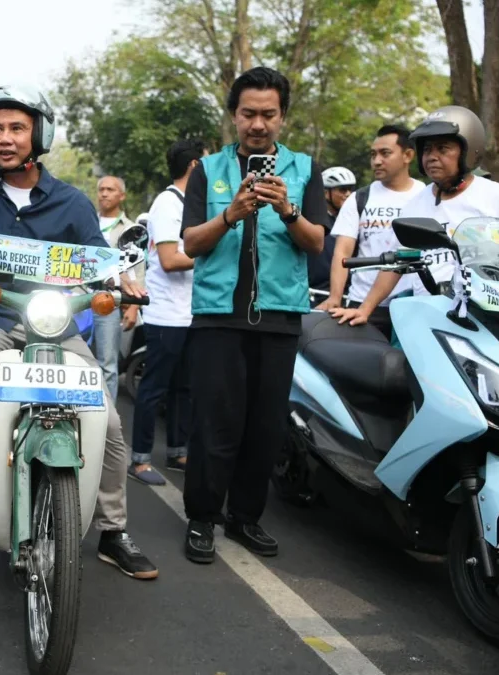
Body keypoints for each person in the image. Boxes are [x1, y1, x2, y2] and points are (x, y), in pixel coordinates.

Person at [0, 84, 157, 579]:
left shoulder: (72, 202)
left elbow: (99, 257)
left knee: (110, 422)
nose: (5, 138)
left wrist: (125, 279)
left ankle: (113, 530)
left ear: (40, 134)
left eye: (16, 128)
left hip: (54, 324)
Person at [178, 67, 329, 564]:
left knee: (264, 428)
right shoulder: (208, 170)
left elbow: (315, 243)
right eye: (249, 114)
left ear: (283, 116)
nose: (258, 124)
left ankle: (245, 519)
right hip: (218, 318)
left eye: (268, 114)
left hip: (280, 318)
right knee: (214, 425)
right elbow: (191, 243)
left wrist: (287, 210)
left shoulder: (305, 170)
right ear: (234, 116)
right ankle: (202, 519)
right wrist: (230, 214)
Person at [399, 106, 499, 291]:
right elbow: (397, 260)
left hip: (485, 313)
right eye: (427, 149)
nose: (431, 157)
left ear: (468, 152)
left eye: (442, 149)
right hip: (427, 312)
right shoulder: (413, 206)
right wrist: (366, 308)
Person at [129, 139, 204, 487]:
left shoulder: (192, 204)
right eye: (207, 162)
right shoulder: (166, 204)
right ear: (193, 166)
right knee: (155, 389)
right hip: (165, 316)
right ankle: (140, 460)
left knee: (185, 388)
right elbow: (172, 260)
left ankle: (178, 451)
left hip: (191, 314)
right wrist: (214, 257)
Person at [319, 125, 424, 337]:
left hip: (413, 305)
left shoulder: (426, 196)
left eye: (385, 154)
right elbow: (343, 252)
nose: (376, 161)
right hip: (361, 304)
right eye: (373, 154)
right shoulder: (359, 198)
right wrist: (335, 296)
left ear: (408, 155)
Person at [93, 175, 142, 403]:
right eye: (101, 189)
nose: (104, 193)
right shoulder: (87, 222)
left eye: (110, 189)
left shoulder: (132, 229)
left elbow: (137, 268)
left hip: (109, 302)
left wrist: (133, 306)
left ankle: (107, 421)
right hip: (77, 299)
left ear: (121, 196)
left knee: (107, 365)